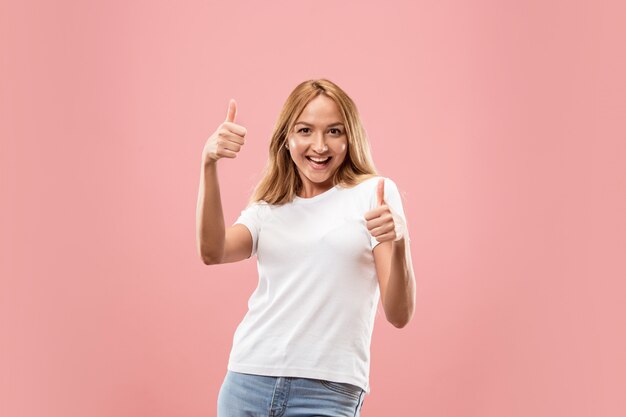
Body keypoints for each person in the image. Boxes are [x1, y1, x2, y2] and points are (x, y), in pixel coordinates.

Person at [196, 79, 416, 417]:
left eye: (334, 132)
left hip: (327, 392)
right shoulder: (269, 207)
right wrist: (209, 164)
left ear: (350, 137)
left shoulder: (375, 193)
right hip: (248, 381)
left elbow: (399, 315)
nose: (319, 146)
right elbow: (214, 251)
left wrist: (398, 243)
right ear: (287, 138)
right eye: (305, 130)